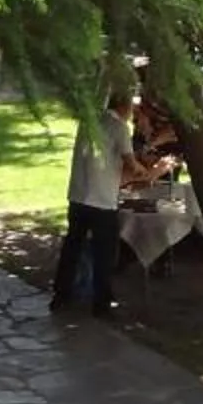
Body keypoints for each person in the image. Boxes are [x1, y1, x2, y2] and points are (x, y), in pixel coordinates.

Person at [49, 91, 132, 315]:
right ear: (125, 105)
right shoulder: (120, 128)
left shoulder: (89, 123)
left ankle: (61, 294)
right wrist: (153, 171)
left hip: (78, 195)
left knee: (72, 247)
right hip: (102, 201)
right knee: (104, 252)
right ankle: (101, 302)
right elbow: (130, 164)